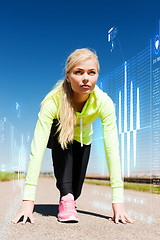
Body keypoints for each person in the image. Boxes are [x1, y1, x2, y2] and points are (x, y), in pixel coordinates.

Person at [12, 48, 135, 225]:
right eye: (79, 72)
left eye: (91, 73)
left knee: (75, 190)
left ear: (97, 76)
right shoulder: (52, 100)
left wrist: (118, 204)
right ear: (68, 76)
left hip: (83, 140)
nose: (86, 78)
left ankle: (69, 197)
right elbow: (36, 149)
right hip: (59, 136)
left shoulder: (104, 102)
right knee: (67, 189)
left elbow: (112, 150)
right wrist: (27, 201)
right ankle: (67, 199)